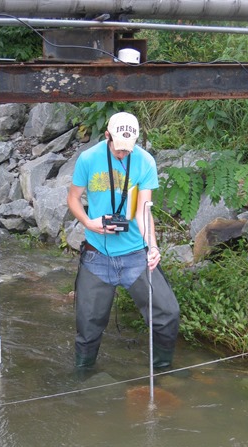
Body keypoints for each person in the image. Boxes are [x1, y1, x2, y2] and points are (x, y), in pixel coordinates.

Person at [67, 112, 180, 369]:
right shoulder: (88, 159)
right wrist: (88, 222)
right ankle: (83, 379)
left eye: (127, 151)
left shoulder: (145, 162)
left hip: (135, 255)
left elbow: (143, 210)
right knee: (88, 328)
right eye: (118, 150)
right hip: (97, 255)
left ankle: (162, 372)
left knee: (168, 314)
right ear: (107, 136)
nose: (123, 155)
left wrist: (153, 246)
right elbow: (73, 199)